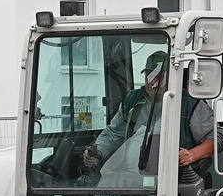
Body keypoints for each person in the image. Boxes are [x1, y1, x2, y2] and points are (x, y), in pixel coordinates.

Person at [84, 50, 215, 179]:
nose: (152, 82)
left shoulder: (189, 103)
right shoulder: (132, 100)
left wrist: (192, 154)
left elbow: (216, 138)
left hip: (173, 180)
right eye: (149, 75)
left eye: (158, 76)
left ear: (171, 77)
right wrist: (98, 152)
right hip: (129, 178)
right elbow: (113, 134)